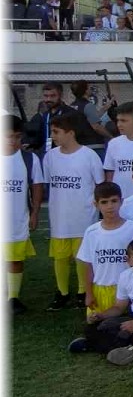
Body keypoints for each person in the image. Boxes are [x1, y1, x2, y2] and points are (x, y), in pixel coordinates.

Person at [68, 237, 133, 365]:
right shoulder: (126, 276)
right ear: (128, 260)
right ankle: (125, 347)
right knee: (95, 326)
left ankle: (99, 345)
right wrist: (101, 315)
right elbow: (119, 307)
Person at [43, 114, 104, 310]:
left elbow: (100, 184)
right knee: (60, 256)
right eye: (52, 132)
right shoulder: (50, 157)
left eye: (57, 132)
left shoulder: (88, 155)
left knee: (81, 257)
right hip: (59, 216)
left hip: (83, 216)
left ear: (70, 133)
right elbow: (49, 184)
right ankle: (61, 293)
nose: (53, 136)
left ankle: (81, 292)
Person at [77, 182, 133, 317]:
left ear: (121, 201)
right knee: (96, 326)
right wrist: (89, 293)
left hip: (127, 289)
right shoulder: (92, 232)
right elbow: (88, 265)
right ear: (96, 205)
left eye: (114, 201)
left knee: (124, 328)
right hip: (100, 289)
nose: (110, 206)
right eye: (104, 202)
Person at [4, 115, 43, 311]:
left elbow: (36, 186)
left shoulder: (29, 158)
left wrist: (35, 213)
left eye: (17, 137)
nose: (13, 141)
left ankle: (13, 298)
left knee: (14, 258)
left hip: (16, 220)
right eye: (8, 136)